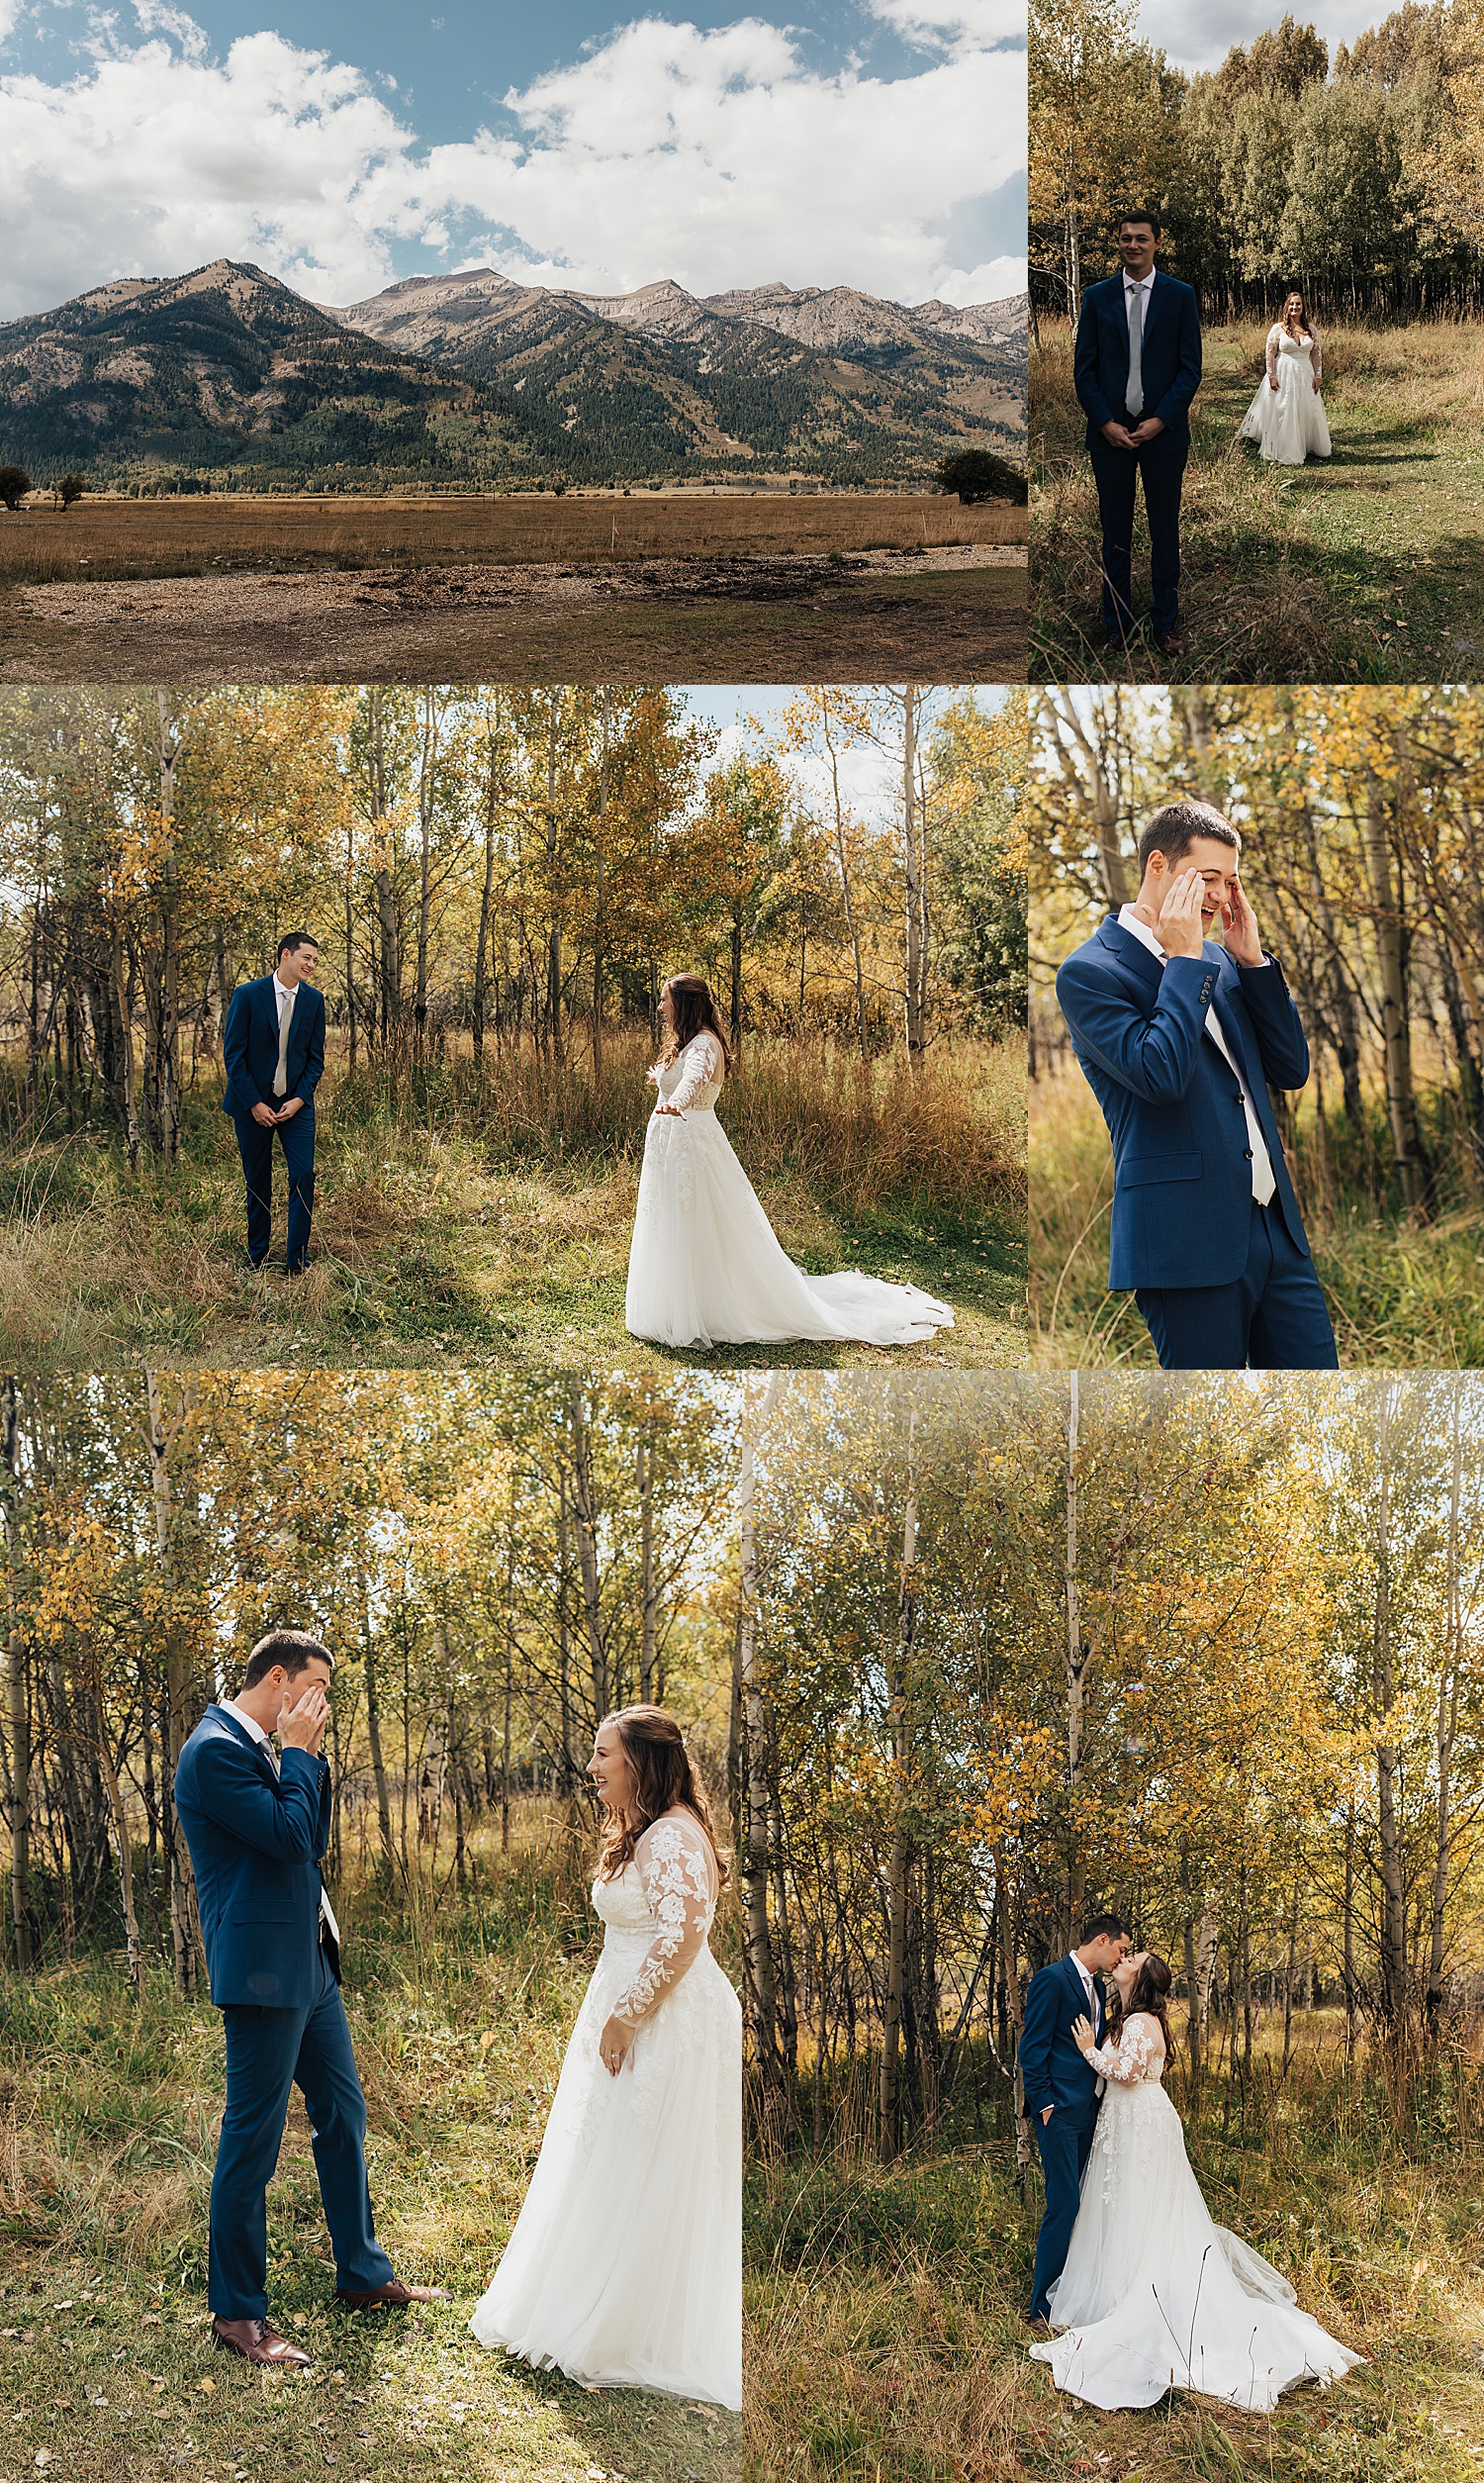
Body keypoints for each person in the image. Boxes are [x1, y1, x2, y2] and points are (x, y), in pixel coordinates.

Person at [174, 1630, 446, 2368]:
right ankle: (237, 2312)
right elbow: (289, 1839)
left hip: (311, 1962)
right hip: (263, 1972)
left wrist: (307, 1756)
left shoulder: (272, 1747)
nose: (322, 1703)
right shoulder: (214, 1751)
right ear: (277, 1678)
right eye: (315, 1687)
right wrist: (298, 1753)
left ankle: (361, 2272)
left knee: (343, 2111)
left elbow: (311, 1836)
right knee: (253, 2140)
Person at [471, 1705, 742, 2408]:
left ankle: (627, 2321)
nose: (592, 1767)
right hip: (637, 2011)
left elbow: (683, 1936)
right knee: (615, 2151)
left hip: (663, 2018)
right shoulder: (650, 1829)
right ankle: (593, 2294)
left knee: (643, 2154)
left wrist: (625, 2017)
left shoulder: (671, 1833)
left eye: (604, 1754)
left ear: (640, 1761)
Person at [1055, 800, 1339, 1371]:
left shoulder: (1222, 960)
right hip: (1185, 1247)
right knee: (1207, 1420)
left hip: (1278, 1235)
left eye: (1230, 882)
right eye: (1207, 878)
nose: (1219, 896)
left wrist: (1252, 963)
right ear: (1157, 865)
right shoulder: (1090, 973)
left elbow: (1290, 1070)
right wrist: (1184, 960)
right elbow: (1159, 1075)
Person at [1029, 1950, 1364, 2411]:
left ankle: (1141, 2294)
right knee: (1127, 2207)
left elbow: (1128, 2074)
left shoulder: (1140, 2021)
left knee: (1141, 2206)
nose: (1123, 1959)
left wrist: (1089, 2050)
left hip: (1140, 2122)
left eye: (1133, 1958)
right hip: (1125, 2121)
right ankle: (1117, 2287)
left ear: (1141, 1978)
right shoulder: (1126, 2017)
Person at [623, 972, 954, 1350]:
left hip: (690, 1144)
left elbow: (694, 1080)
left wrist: (676, 1102)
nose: (660, 1007)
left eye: (665, 1000)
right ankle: (680, 1302)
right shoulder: (690, 1042)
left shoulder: (702, 1044)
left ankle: (701, 1307)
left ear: (683, 1004)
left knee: (694, 1220)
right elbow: (682, 1075)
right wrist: (663, 1083)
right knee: (675, 1217)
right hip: (674, 1143)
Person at [1073, 209, 1202, 659]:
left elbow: (1190, 369)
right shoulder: (1096, 297)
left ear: (1156, 243)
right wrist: (1104, 423)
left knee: (1164, 532)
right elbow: (1084, 370)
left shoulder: (1180, 296)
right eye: (1126, 238)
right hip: (1110, 437)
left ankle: (1165, 624)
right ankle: (1116, 627)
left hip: (1162, 436)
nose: (1132, 245)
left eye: (1141, 238)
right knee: (1115, 535)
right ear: (1119, 242)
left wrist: (1161, 419)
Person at [1020, 1914, 1132, 2329]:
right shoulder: (1052, 1979)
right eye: (1120, 1949)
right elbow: (1032, 2049)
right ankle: (1041, 2308)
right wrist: (1045, 2105)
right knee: (1064, 2205)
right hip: (1060, 2114)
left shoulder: (1099, 1988)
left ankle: (1072, 2294)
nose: (1121, 1957)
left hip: (1091, 2111)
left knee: (1084, 2206)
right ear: (1102, 1939)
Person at [222, 932, 325, 1274]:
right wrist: (253, 1103)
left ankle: (297, 1259)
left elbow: (315, 1060)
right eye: (306, 957)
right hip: (252, 1104)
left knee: (303, 1174)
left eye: (315, 960)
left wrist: (299, 1100)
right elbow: (233, 1054)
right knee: (258, 1180)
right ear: (286, 955)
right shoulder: (248, 995)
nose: (311, 964)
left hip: (295, 1105)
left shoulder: (314, 1001)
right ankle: (257, 1256)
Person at [1239, 290, 1331, 466]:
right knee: (1285, 408)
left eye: (1298, 304)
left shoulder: (1311, 329)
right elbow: (1270, 353)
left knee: (1306, 408)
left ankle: (1306, 444)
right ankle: (1285, 447)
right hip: (1284, 372)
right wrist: (1272, 376)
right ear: (1287, 307)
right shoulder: (1278, 328)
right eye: (1292, 304)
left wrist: (1318, 376)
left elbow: (1316, 353)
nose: (1295, 307)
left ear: (1303, 307)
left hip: (1305, 374)